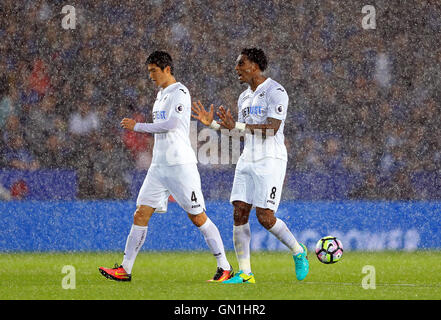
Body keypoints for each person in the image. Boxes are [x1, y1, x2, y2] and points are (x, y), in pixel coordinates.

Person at [99, 51, 233, 282]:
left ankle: (225, 267)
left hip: (180, 165)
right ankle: (125, 269)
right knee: (141, 213)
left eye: (154, 71)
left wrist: (138, 127)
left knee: (198, 216)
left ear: (167, 69)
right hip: (159, 166)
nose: (150, 75)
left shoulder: (179, 92)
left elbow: (171, 124)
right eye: (149, 71)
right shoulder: (160, 95)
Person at [191, 48, 309, 283]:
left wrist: (238, 126)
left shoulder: (276, 91)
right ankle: (246, 273)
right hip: (248, 158)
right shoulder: (244, 97)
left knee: (265, 217)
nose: (236, 69)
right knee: (239, 211)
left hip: (270, 159)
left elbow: (273, 128)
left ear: (254, 66)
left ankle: (298, 251)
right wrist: (213, 125)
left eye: (240, 63)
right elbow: (239, 131)